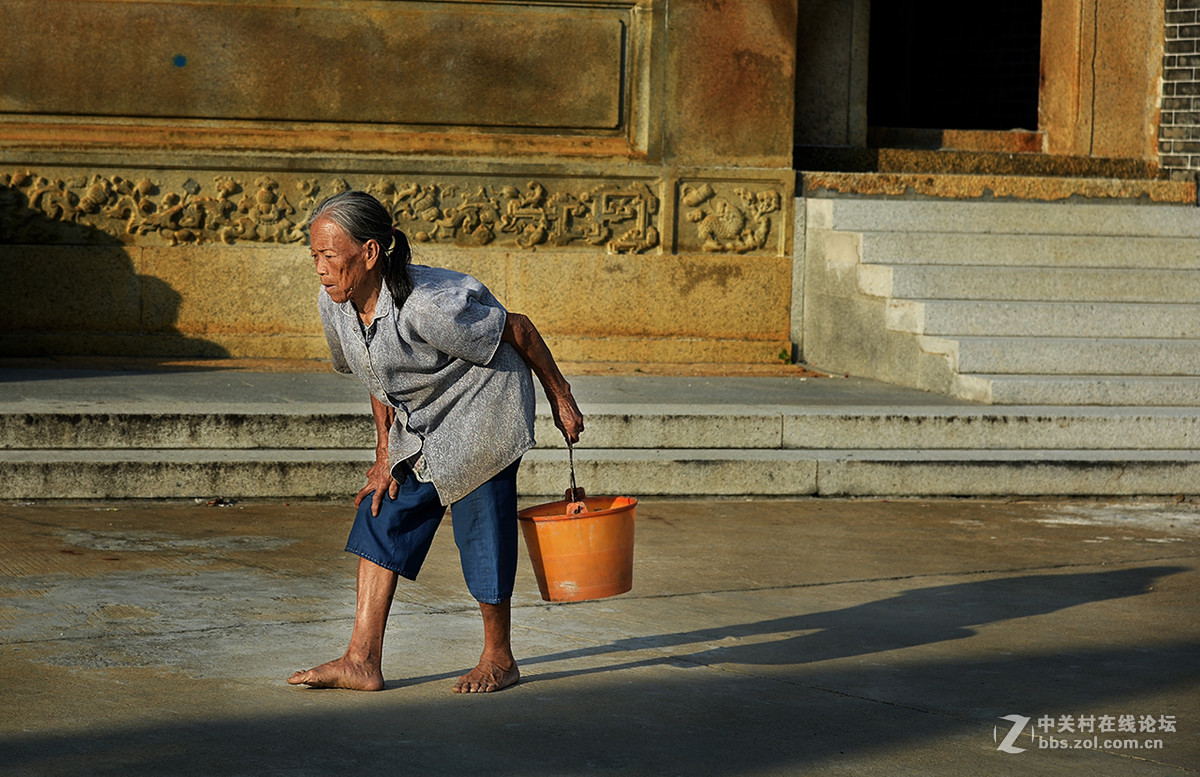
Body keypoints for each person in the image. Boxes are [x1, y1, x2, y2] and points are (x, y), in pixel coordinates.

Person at [287, 190, 584, 693]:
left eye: (329, 255)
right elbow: (374, 375)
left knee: (481, 527)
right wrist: (385, 456)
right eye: (314, 254)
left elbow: (518, 328)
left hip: (482, 404)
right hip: (423, 413)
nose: (319, 267)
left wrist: (562, 398)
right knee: (382, 510)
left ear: (370, 252)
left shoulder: (427, 305)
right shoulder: (334, 304)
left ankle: (500, 658)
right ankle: (361, 659)